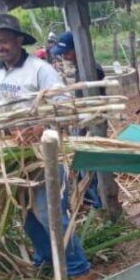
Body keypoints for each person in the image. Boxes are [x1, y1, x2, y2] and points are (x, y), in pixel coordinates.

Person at [0, 14, 91, 277]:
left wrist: (40, 127)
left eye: (4, 41)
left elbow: (63, 104)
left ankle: (78, 269)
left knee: (50, 214)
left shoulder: (40, 70)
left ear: (18, 40)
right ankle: (47, 260)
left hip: (43, 152)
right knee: (27, 215)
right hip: (14, 152)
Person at [49, 30, 103, 210]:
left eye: (67, 52)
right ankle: (89, 202)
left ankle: (98, 204)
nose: (65, 56)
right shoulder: (81, 68)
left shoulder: (91, 70)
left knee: (90, 166)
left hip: (91, 124)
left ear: (77, 49)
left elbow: (93, 103)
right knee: (82, 164)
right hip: (82, 122)